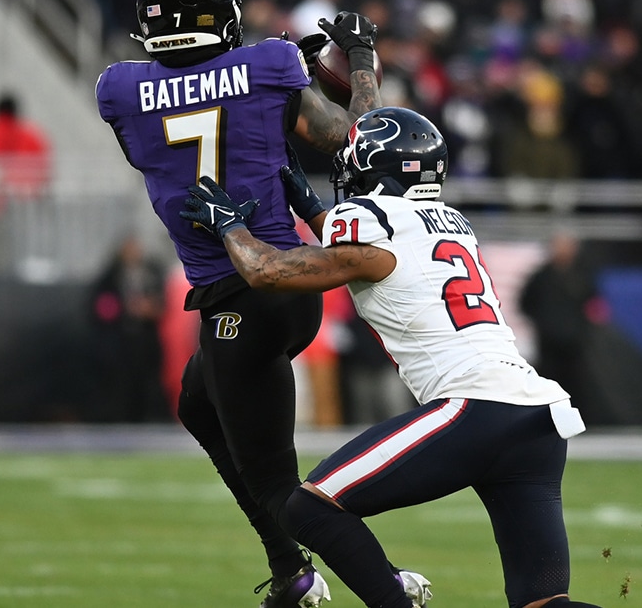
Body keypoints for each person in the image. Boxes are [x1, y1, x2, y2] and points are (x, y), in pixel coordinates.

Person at [182, 107, 599, 608]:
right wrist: (310, 204)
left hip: (474, 409)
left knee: (309, 507)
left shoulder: (373, 224)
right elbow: (372, 254)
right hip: (535, 417)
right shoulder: (447, 220)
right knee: (544, 605)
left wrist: (230, 229)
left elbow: (267, 271)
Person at [93, 0, 388, 608]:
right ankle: (289, 570)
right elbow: (349, 139)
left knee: (279, 484)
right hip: (288, 286)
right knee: (197, 403)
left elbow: (166, 137)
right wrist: (360, 64)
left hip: (240, 297)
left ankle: (382, 583)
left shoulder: (119, 89)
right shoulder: (269, 64)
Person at [518, 229, 602, 422]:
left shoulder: (582, 274)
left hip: (575, 343)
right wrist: (542, 322)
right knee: (548, 380)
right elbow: (525, 303)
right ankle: (546, 418)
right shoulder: (541, 276)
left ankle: (579, 419)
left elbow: (594, 304)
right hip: (548, 343)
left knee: (577, 381)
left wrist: (585, 326)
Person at [87, 235, 169, 423]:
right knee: (120, 384)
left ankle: (147, 419)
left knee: (147, 383)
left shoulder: (151, 273)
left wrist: (149, 309)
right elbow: (100, 307)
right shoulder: (111, 277)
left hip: (145, 340)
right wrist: (125, 308)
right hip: (120, 341)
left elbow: (162, 305)